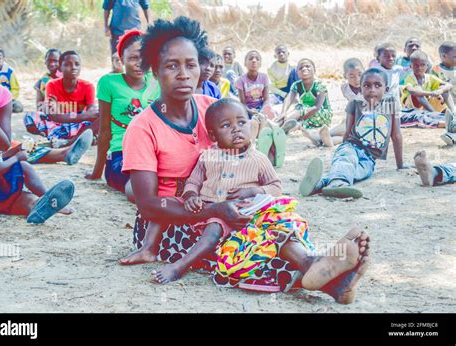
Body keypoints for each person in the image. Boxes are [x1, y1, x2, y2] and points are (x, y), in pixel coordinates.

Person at [118, 16, 371, 305]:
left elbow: (242, 147)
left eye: (190, 64)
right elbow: (149, 204)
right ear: (154, 70)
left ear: (201, 66)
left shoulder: (210, 110)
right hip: (172, 223)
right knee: (236, 244)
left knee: (265, 224)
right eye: (171, 66)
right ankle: (323, 274)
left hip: (223, 205)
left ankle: (326, 275)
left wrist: (251, 194)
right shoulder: (143, 128)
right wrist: (214, 209)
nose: (184, 74)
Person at [148, 98, 282, 284]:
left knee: (215, 226)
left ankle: (179, 266)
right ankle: (148, 247)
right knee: (164, 203)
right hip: (205, 207)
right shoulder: (208, 156)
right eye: (226, 125)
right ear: (212, 135)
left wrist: (252, 191)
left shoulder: (258, 159)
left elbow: (275, 187)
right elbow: (193, 182)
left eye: (242, 122)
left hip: (234, 215)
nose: (236, 129)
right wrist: (191, 196)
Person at [299, 68, 406, 199]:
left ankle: (318, 185)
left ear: (387, 89)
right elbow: (347, 132)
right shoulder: (355, 103)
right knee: (345, 161)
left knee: (356, 172)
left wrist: (400, 165)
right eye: (367, 85)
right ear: (360, 88)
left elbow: (396, 135)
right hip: (351, 147)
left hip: (370, 158)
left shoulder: (391, 104)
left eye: (378, 85)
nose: (372, 89)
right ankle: (337, 185)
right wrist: (342, 149)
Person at [85, 29, 160, 202]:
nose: (140, 63)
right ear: (121, 60)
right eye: (133, 58)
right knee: (138, 186)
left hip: (151, 152)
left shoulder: (157, 82)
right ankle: (148, 201)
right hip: (121, 154)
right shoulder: (108, 83)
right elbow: (104, 131)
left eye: (144, 57)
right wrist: (97, 172)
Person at [0, 100, 74, 223]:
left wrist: (14, 151)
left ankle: (36, 208)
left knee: (22, 198)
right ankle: (47, 197)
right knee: (23, 166)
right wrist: (17, 157)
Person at [24, 50, 99, 145]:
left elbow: (92, 112)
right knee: (29, 116)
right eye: (68, 64)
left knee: (102, 115)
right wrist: (82, 116)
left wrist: (82, 116)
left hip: (79, 124)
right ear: (60, 67)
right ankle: (83, 137)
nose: (73, 68)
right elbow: (53, 115)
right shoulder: (51, 84)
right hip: (59, 123)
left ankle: (70, 140)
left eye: (77, 64)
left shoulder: (88, 86)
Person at [299, 58, 363, 148]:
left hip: (365, 121)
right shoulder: (345, 88)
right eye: (352, 76)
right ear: (345, 76)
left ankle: (323, 139)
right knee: (343, 128)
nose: (357, 79)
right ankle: (323, 139)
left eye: (360, 75)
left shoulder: (368, 87)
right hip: (351, 119)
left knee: (348, 134)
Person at [278, 58, 333, 136]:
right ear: (297, 73)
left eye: (308, 66)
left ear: (314, 70)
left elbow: (316, 108)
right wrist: (283, 112)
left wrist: (300, 116)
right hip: (305, 114)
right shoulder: (297, 85)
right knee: (297, 110)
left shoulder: (319, 85)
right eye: (300, 68)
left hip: (321, 114)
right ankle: (282, 127)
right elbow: (288, 99)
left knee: (299, 111)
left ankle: (278, 127)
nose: (304, 69)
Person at [400, 50, 453, 129]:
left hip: (427, 105)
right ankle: (434, 114)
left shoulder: (429, 77)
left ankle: (453, 112)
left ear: (427, 66)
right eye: (416, 65)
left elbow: (449, 85)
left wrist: (440, 91)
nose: (419, 68)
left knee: (444, 89)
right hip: (413, 107)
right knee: (418, 91)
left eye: (422, 65)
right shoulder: (410, 78)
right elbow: (411, 90)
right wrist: (430, 93)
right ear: (411, 66)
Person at [430, 41, 456, 145]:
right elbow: (432, 86)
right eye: (455, 56)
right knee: (444, 89)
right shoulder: (435, 69)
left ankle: (452, 132)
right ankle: (453, 116)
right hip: (444, 102)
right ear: (444, 56)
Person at [0, 49, 23, 113]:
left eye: (0, 58)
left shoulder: (9, 72)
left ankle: (4, 109)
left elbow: (15, 88)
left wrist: (10, 97)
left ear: (4, 59)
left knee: (18, 108)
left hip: (7, 100)